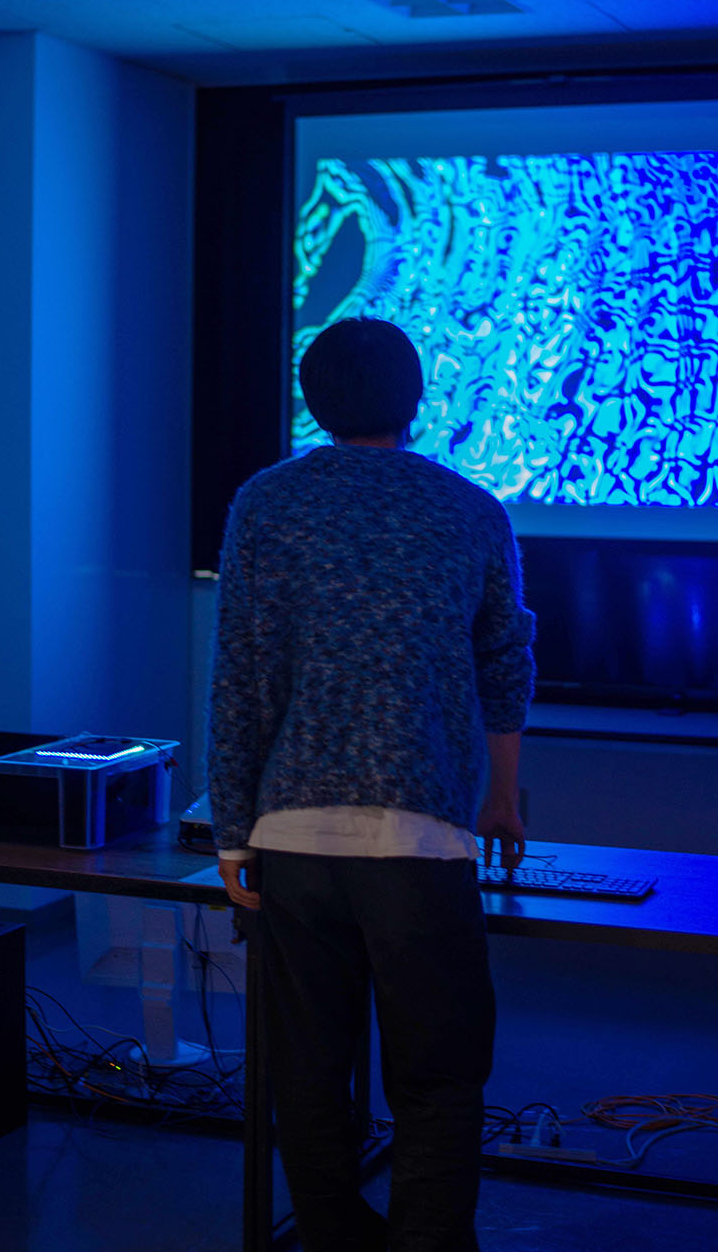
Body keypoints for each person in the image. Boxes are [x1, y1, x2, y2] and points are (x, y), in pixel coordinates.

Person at [207, 316, 535, 1252]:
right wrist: (502, 798)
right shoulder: (471, 509)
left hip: (292, 838)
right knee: (439, 1074)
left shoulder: (265, 504)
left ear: (312, 401)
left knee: (308, 1071)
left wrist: (232, 833)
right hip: (423, 840)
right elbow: (504, 666)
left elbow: (240, 679)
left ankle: (333, 1239)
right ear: (416, 399)